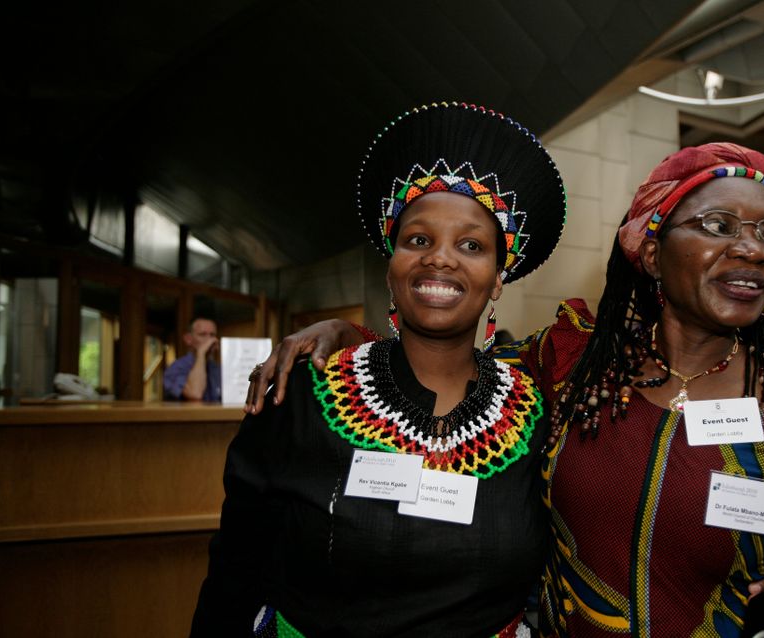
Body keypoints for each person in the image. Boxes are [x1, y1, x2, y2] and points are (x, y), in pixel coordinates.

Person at [249, 143, 764, 636]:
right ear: (649, 248)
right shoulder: (571, 361)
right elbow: (450, 364)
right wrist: (346, 336)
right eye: (720, 226)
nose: (754, 249)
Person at [191, 102, 568, 637]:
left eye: (471, 245)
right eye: (418, 240)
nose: (440, 258)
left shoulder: (536, 409)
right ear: (391, 268)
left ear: (497, 279)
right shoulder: (302, 389)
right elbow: (236, 565)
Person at [164, 316, 222, 402]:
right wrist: (201, 353)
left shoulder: (217, 369)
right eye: (202, 334)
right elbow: (195, 394)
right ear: (188, 339)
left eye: (212, 335)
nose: (210, 340)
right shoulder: (176, 368)